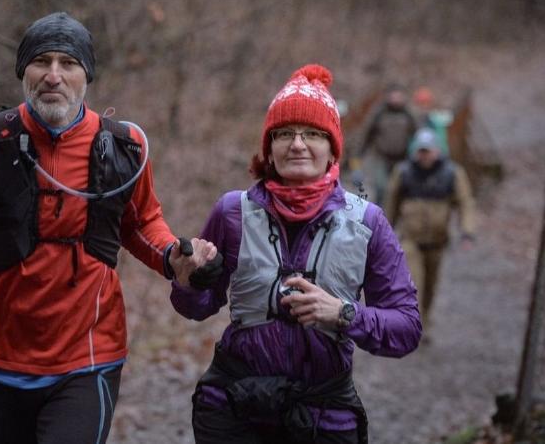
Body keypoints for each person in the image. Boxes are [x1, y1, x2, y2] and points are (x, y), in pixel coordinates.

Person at [0, 12, 215, 444]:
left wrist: (173, 258)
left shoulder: (124, 146)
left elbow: (140, 223)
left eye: (69, 63)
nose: (53, 75)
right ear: (23, 71)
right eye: (41, 61)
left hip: (89, 359)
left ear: (88, 76)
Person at [169, 65, 422, 444]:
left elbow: (406, 329)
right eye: (284, 133)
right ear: (269, 147)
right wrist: (187, 282)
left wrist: (343, 313)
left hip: (324, 414)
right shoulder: (232, 211)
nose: (298, 144)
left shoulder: (368, 222)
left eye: (313, 134)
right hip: (234, 406)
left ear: (332, 148)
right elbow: (197, 306)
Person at [383, 127, 476, 338]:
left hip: (438, 241)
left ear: (438, 151)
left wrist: (467, 231)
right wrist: (384, 232)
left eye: (428, 151)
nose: (424, 156)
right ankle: (412, 324)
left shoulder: (453, 173)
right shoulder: (404, 172)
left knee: (431, 285)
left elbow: (465, 203)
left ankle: (425, 320)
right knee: (413, 283)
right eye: (421, 151)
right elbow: (391, 202)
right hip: (411, 239)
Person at [352, 84, 417, 204]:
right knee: (382, 188)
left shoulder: (408, 115)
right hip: (381, 158)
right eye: (394, 96)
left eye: (399, 96)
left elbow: (417, 136)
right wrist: (357, 158)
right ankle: (380, 214)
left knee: (399, 188)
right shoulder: (379, 114)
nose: (396, 99)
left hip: (401, 158)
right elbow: (366, 135)